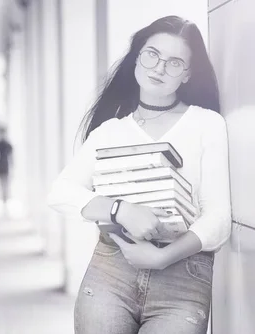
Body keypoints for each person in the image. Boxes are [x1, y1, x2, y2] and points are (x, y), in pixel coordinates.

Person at [47, 16, 231, 334]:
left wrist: (163, 257)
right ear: (137, 57)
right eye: (152, 54)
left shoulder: (206, 124)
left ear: (187, 73)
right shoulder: (110, 132)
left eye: (175, 62)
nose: (159, 68)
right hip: (111, 271)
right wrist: (120, 209)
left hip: (182, 278)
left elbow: (218, 217)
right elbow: (61, 192)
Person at [0, 127, 13, 206]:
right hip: (0, 165)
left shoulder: (8, 145)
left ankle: (5, 198)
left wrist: (12, 166)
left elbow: (11, 157)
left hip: (6, 165)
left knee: (6, 182)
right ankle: (3, 198)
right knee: (1, 182)